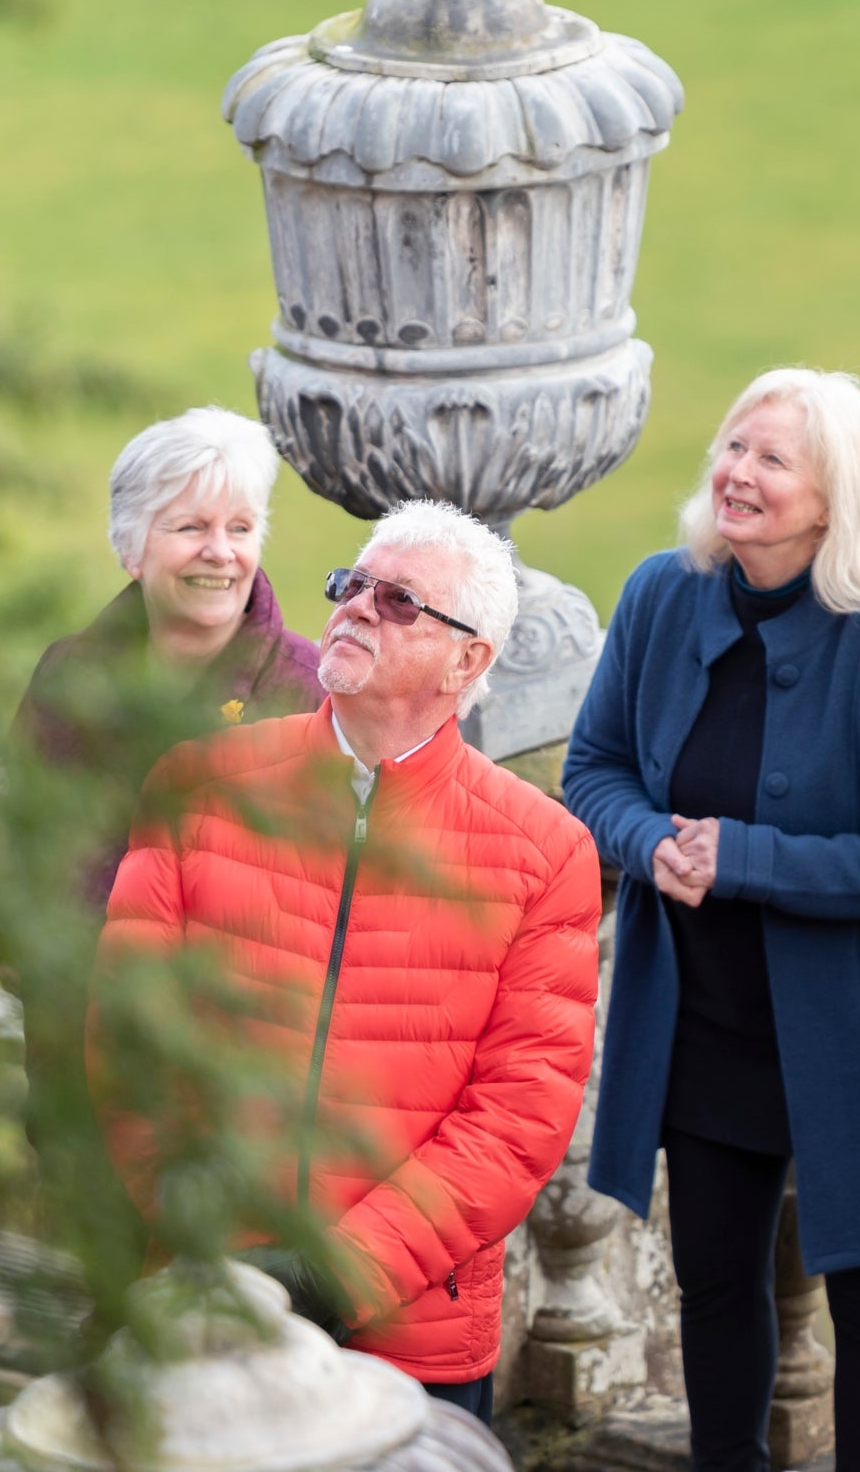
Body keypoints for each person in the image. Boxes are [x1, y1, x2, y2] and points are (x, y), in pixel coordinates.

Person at [93, 499, 599, 1421]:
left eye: (400, 601)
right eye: (352, 584)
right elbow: (131, 1032)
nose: (358, 606)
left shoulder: (545, 853)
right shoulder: (198, 786)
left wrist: (332, 1275)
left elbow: (518, 1119)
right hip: (205, 1304)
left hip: (413, 1345)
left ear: (469, 659)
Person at [563, 368, 860, 1472]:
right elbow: (593, 768)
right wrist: (646, 841)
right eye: (734, 447)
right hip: (702, 1017)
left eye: (772, 459)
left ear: (834, 498)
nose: (738, 473)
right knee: (715, 1283)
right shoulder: (662, 594)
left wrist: (745, 857)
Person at [15, 405, 322, 905]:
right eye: (191, 528)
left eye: (240, 528)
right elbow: (17, 836)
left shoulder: (309, 694)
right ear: (131, 549)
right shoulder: (68, 671)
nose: (221, 551)